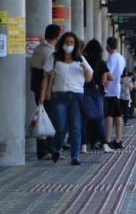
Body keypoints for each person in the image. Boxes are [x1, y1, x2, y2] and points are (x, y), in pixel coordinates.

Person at [39, 32, 93, 166]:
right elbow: (45, 76)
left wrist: (85, 68)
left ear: (75, 45)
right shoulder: (54, 57)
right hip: (59, 95)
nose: (69, 45)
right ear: (61, 43)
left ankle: (75, 156)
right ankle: (56, 148)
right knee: (61, 127)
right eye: (66, 42)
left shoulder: (80, 59)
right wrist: (42, 96)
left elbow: (89, 78)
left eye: (72, 43)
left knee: (75, 127)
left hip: (76, 96)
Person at [30, 24, 61, 160]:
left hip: (37, 88)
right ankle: (47, 150)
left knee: (43, 118)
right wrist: (47, 92)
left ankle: (45, 150)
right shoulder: (49, 52)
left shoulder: (38, 48)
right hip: (45, 90)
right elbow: (48, 75)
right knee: (48, 120)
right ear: (57, 36)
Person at [81, 40, 114, 154]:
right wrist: (103, 83)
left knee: (84, 119)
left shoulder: (83, 61)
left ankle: (84, 145)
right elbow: (110, 77)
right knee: (99, 119)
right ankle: (104, 145)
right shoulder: (101, 62)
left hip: (84, 90)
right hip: (97, 92)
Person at [104, 37, 126, 149]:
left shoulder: (112, 58)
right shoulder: (122, 58)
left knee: (109, 115)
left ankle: (107, 140)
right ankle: (118, 139)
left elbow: (109, 75)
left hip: (110, 91)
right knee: (118, 115)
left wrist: (104, 88)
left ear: (108, 45)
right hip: (116, 89)